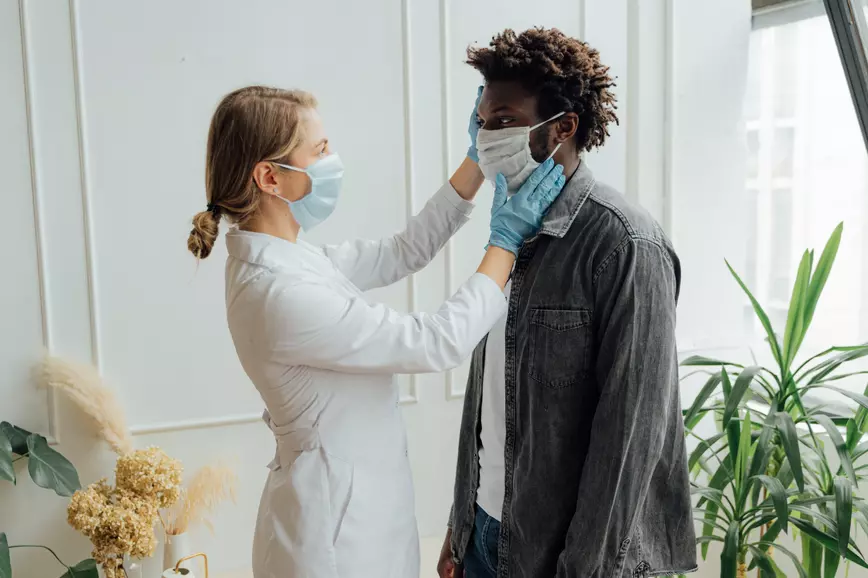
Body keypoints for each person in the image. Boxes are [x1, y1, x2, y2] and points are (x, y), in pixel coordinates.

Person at [185, 85, 565, 578]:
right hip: (334, 542)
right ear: (269, 176)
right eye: (319, 151)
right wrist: (505, 240)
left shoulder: (289, 259)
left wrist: (475, 162)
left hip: (354, 515)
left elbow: (402, 251)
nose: (333, 160)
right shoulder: (278, 294)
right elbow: (436, 342)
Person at [436, 28, 697, 578]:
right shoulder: (510, 233)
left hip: (561, 558)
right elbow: (490, 400)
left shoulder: (627, 245)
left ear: (563, 128)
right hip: (484, 536)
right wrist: (460, 528)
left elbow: (629, 440)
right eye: (482, 122)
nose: (486, 138)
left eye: (503, 121)